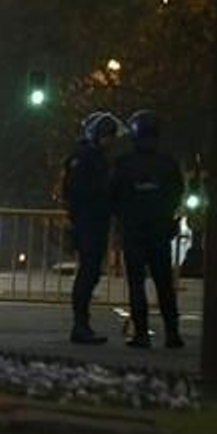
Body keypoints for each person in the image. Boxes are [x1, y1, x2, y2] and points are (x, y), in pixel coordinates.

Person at [111, 109, 185, 349]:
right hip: (160, 230)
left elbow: (113, 194)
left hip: (134, 230)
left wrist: (123, 216)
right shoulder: (167, 163)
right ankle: (172, 333)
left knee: (137, 283)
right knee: (164, 284)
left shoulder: (124, 164)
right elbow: (177, 191)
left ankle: (141, 333)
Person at [61, 112, 122, 344]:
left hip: (93, 222)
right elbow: (77, 191)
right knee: (88, 273)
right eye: (108, 136)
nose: (111, 141)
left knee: (91, 272)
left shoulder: (94, 156)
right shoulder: (86, 157)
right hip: (88, 222)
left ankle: (82, 324)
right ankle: (80, 324)